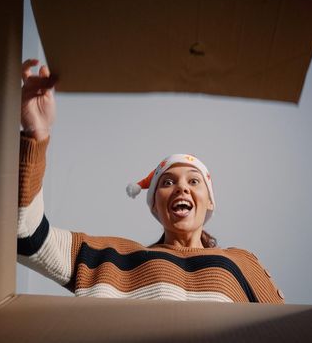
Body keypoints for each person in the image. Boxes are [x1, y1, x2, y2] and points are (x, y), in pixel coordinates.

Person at [17, 59, 285, 303]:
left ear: (210, 200)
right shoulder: (108, 258)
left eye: (194, 181)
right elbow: (26, 236)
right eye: (167, 183)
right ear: (155, 205)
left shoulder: (241, 263)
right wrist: (36, 133)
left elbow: (282, 328)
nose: (181, 187)